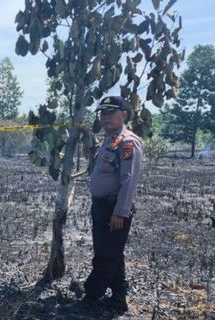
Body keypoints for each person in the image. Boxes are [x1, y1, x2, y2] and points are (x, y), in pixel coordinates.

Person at [69, 96, 143, 315]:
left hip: (114, 208)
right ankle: (119, 296)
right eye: (102, 113)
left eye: (111, 112)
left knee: (105, 255)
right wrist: (85, 133)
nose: (106, 117)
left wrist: (120, 213)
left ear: (124, 115)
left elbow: (129, 180)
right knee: (112, 253)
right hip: (101, 206)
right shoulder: (110, 140)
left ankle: (91, 295)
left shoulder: (128, 142)